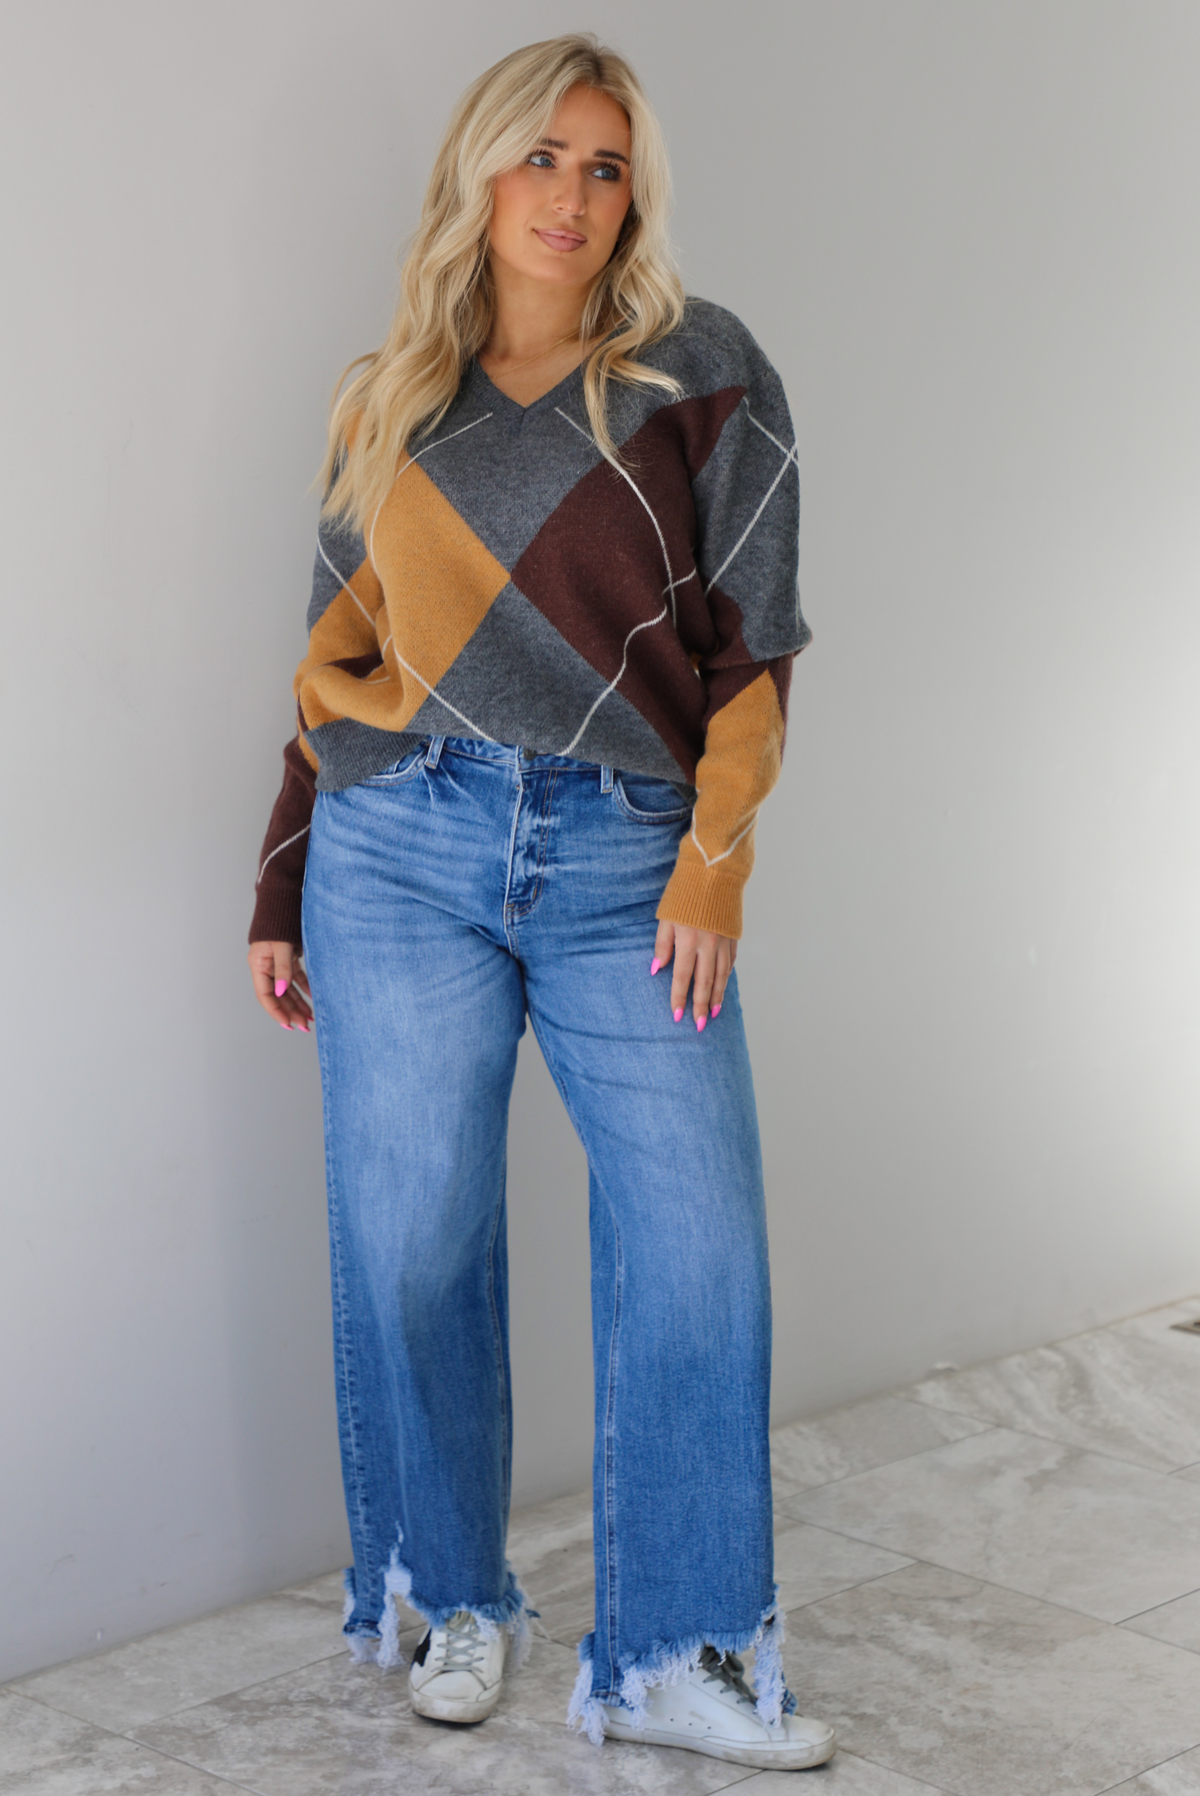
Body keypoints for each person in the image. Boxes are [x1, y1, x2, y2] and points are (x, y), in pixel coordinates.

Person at [246, 32, 833, 1773]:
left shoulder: (701, 371)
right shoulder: (390, 398)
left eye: (604, 164)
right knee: (411, 1239)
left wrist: (715, 862)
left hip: (625, 863)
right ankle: (449, 1594)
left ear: (633, 192)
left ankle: (680, 1657)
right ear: (479, 174)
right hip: (397, 847)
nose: (571, 197)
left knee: (699, 1246)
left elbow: (756, 652)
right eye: (541, 158)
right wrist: (282, 872)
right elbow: (335, 662)